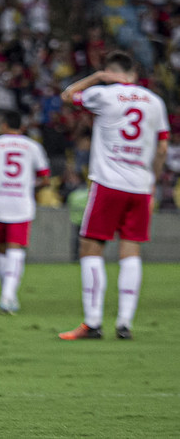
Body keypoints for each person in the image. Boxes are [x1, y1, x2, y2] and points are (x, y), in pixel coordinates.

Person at [58, 51, 169, 340]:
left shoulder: (103, 95)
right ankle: (124, 324)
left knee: (91, 247)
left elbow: (68, 96)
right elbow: (161, 148)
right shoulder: (156, 102)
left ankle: (92, 323)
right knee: (130, 251)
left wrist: (96, 77)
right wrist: (152, 181)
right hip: (141, 186)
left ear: (110, 71)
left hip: (109, 183)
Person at [0, 110, 50, 314]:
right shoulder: (33, 146)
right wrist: (29, 187)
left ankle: (7, 294)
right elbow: (46, 179)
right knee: (15, 249)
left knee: (2, 249)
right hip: (21, 204)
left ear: (4, 125)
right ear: (21, 127)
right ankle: (8, 295)